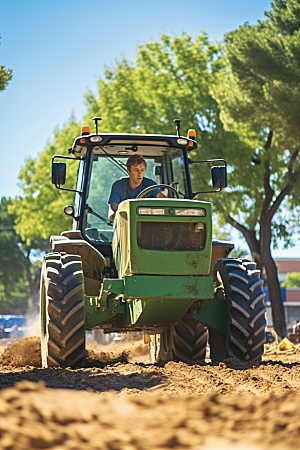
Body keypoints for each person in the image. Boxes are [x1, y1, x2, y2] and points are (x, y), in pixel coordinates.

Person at [108, 155, 165, 222]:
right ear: (129, 171)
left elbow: (165, 202)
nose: (139, 174)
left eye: (142, 170)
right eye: (136, 170)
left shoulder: (151, 185)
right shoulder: (118, 186)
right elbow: (112, 214)